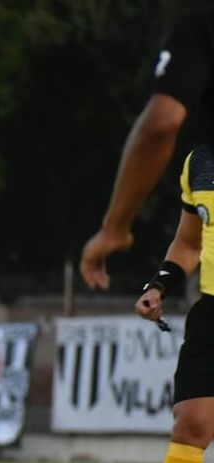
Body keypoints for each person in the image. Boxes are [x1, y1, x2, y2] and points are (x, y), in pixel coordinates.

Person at [106, 143, 214, 463]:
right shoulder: (201, 161)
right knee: (190, 425)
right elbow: (189, 241)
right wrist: (160, 284)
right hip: (211, 311)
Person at [80, 8, 214, 291]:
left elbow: (160, 123)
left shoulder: (200, 21)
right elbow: (188, 244)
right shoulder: (199, 171)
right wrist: (159, 287)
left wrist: (114, 227)